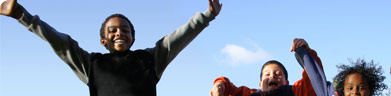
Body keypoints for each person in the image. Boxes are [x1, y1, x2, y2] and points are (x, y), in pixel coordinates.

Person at [0, 0, 222, 96]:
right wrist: (22, 15)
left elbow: (177, 38)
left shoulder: (149, 59)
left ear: (133, 37)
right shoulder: (91, 65)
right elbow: (59, 42)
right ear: (103, 41)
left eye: (125, 30)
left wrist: (207, 15)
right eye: (113, 30)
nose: (119, 33)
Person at [210, 38, 321, 96]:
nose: (272, 76)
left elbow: (314, 77)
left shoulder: (295, 91)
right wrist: (220, 84)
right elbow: (229, 89)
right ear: (260, 84)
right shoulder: (251, 95)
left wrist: (306, 53)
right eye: (267, 74)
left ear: (287, 82)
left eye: (278, 74)